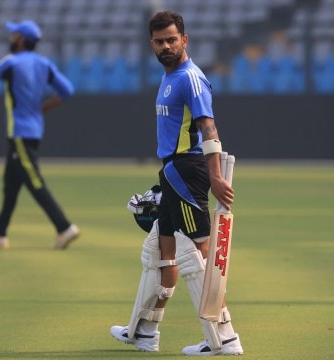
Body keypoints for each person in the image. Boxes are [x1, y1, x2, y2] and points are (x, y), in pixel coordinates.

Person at [110, 11, 243, 356]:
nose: (166, 46)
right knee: (159, 252)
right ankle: (144, 332)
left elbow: (209, 129)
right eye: (159, 41)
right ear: (151, 43)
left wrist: (214, 176)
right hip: (172, 171)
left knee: (197, 255)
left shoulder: (189, 78)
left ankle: (224, 338)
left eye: (172, 39)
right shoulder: (170, 76)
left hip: (188, 170)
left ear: (185, 40)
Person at [0, 20, 80, 250]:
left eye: (14, 36)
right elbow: (67, 90)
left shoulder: (11, 61)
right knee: (10, 185)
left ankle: (64, 227)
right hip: (34, 129)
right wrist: (45, 106)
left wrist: (1, 62)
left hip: (19, 132)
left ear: (20, 40)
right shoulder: (45, 63)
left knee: (34, 181)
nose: (11, 39)